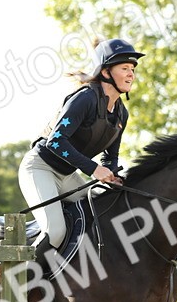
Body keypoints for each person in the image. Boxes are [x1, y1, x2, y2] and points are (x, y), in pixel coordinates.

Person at [18, 38, 143, 255]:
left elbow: (110, 158)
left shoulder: (122, 113)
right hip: (39, 168)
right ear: (105, 73)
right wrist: (94, 170)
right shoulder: (85, 99)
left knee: (102, 215)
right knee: (56, 231)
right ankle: (23, 283)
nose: (131, 74)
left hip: (67, 175)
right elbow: (55, 141)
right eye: (125, 68)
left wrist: (112, 175)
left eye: (132, 69)